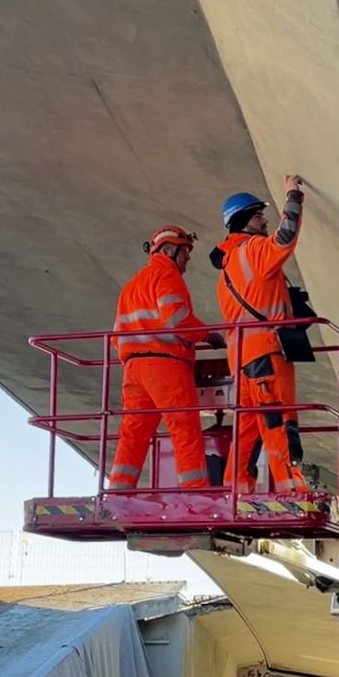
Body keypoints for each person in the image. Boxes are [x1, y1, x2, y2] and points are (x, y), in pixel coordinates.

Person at [209, 175, 310, 493]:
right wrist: (294, 196)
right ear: (242, 222)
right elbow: (286, 237)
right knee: (278, 419)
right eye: (257, 216)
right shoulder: (252, 251)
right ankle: (290, 486)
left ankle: (235, 487)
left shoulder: (227, 268)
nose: (263, 220)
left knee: (249, 427)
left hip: (241, 359)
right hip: (267, 351)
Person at [110, 225, 225, 490]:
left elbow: (116, 336)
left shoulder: (131, 286)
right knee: (185, 429)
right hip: (166, 366)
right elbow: (177, 319)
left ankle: (118, 492)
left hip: (133, 369)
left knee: (133, 435)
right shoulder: (167, 275)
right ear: (170, 250)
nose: (188, 259)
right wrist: (208, 335)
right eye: (185, 252)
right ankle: (195, 494)